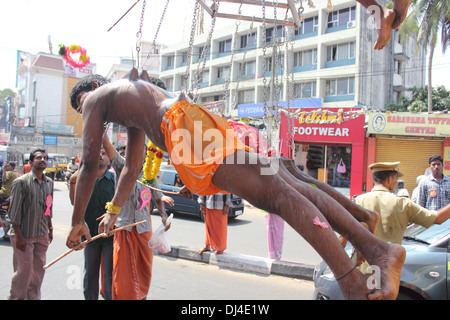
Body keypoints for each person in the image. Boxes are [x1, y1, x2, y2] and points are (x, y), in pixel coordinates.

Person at [67, 69, 406, 300]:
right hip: (191, 120)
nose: (85, 115)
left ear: (90, 93)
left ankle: (355, 277)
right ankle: (373, 243)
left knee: (278, 193)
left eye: (81, 106)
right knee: (285, 184)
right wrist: (111, 211)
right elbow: (132, 169)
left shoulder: (98, 100)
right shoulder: (129, 106)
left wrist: (76, 221)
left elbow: (87, 165)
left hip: (184, 128)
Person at [102, 134, 173, 300]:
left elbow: (157, 196)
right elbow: (108, 147)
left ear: (145, 154)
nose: (136, 154)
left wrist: (163, 215)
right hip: (124, 226)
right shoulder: (121, 166)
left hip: (143, 229)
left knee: (145, 269)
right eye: (131, 150)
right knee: (123, 272)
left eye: (141, 150)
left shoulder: (149, 174)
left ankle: (141, 296)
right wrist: (101, 126)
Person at [348, 162, 450, 273]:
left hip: (362, 270)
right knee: (383, 290)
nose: (397, 183)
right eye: (396, 179)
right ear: (389, 179)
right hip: (388, 270)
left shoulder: (357, 201)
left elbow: (343, 234)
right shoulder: (403, 204)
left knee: (369, 289)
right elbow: (438, 218)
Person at [7, 149, 53, 300]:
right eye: (39, 157)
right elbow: (14, 213)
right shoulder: (21, 182)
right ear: (31, 162)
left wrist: (50, 228)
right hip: (24, 236)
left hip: (41, 234)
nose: (42, 160)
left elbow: (48, 207)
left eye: (45, 158)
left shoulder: (49, 182)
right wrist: (18, 236)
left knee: (38, 272)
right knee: (24, 272)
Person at [69, 148, 115, 300]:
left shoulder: (115, 180)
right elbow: (74, 202)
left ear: (109, 160)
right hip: (89, 236)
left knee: (109, 275)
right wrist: (73, 181)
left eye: (104, 153)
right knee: (90, 275)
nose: (100, 156)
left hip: (110, 237)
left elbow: (123, 206)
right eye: (98, 153)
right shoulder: (84, 179)